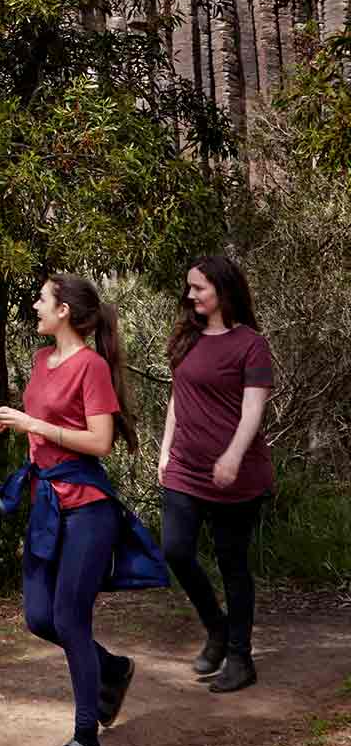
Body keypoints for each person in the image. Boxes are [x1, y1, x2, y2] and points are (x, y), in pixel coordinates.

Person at [0, 275, 165, 746]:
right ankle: (111, 668)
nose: (34, 305)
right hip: (47, 503)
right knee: (39, 617)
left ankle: (86, 738)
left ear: (63, 310)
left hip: (88, 509)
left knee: (69, 618)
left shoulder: (92, 367)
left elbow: (100, 442)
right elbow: (42, 426)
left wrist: (34, 426)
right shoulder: (42, 361)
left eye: (42, 299)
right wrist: (17, 422)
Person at [159, 255, 275, 694]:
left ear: (222, 291)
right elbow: (178, 396)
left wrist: (231, 456)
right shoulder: (188, 337)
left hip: (237, 476)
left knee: (233, 564)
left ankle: (240, 658)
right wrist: (165, 450)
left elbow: (252, 410)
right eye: (189, 288)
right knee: (175, 550)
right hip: (185, 469)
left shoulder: (250, 344)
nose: (190, 295)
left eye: (199, 288)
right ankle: (217, 627)